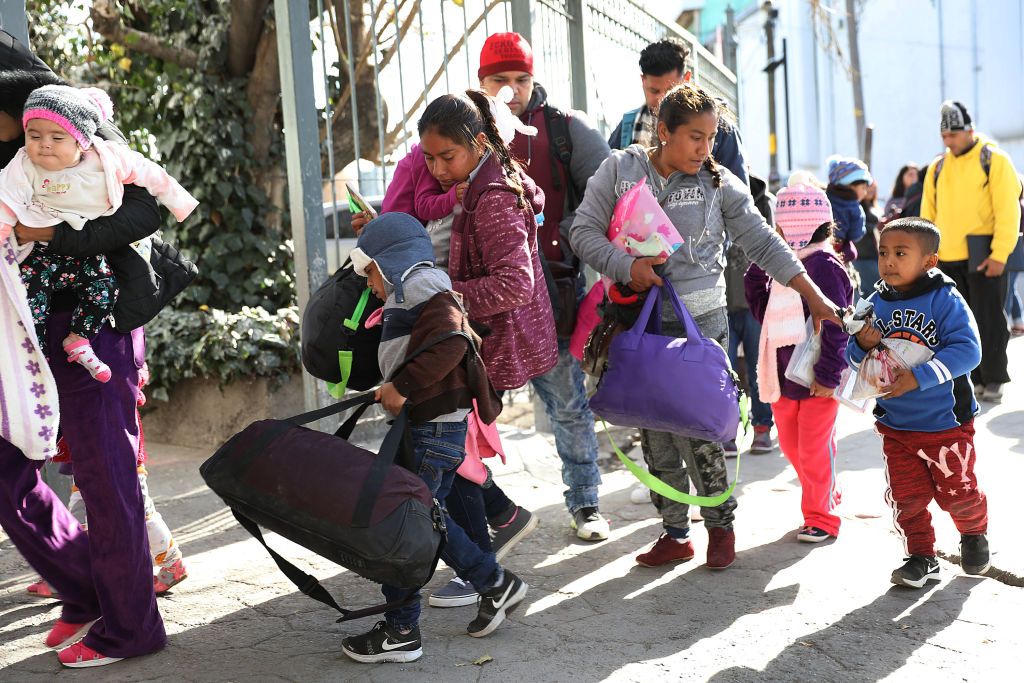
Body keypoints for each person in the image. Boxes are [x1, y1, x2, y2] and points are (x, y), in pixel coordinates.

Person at [570, 83, 842, 569]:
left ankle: (720, 527)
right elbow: (582, 231)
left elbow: (763, 242)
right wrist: (624, 266)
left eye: (711, 137)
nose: (704, 149)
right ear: (664, 131)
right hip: (640, 325)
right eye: (695, 137)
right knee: (655, 434)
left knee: (700, 433)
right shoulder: (620, 169)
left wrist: (815, 297)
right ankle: (675, 534)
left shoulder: (720, 184)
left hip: (703, 328)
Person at [0, 31, 166, 668]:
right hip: (18, 333)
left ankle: (131, 626)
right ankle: (85, 585)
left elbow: (145, 212)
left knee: (106, 475)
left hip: (92, 326)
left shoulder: (67, 122)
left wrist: (52, 234)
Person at [362, 94, 540, 608]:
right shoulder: (469, 186)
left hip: (470, 346)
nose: (436, 170)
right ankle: (488, 554)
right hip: (460, 343)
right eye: (430, 159)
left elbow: (515, 284)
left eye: (447, 158)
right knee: (452, 461)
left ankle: (477, 571)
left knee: (441, 469)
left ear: (479, 144)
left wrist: (442, 296)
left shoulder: (493, 196)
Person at [341, 212, 525, 663]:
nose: (369, 286)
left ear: (390, 263)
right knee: (426, 520)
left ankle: (403, 630)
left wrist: (402, 387)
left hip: (431, 429)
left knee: (406, 523)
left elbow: (450, 340)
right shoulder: (416, 288)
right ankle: (492, 583)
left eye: (371, 274)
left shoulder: (420, 284)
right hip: (435, 428)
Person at [477, 32, 612, 540]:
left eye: (521, 79)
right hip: (482, 298)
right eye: (499, 80)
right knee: (467, 412)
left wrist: (567, 237)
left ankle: (586, 505)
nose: (512, 90)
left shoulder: (563, 130)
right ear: (480, 82)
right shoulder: (467, 127)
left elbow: (610, 191)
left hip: (552, 293)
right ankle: (478, 512)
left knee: (568, 404)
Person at [1, 84, 197, 382]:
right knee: (31, 303)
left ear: (81, 141)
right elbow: (4, 203)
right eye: (34, 136)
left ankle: (79, 338)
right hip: (39, 257)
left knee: (104, 289)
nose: (44, 144)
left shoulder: (106, 157)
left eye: (56, 137)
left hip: (89, 251)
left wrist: (181, 204)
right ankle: (35, 359)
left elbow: (151, 178)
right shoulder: (22, 165)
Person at [847, 217, 989, 588]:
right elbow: (852, 358)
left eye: (900, 253)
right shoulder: (874, 301)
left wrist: (920, 377)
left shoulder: (946, 299)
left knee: (957, 492)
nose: (888, 261)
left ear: (929, 262)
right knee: (906, 498)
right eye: (882, 253)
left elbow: (968, 350)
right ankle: (921, 556)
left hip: (946, 424)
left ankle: (973, 532)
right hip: (895, 424)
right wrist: (861, 344)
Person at [745, 184, 853, 543]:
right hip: (781, 377)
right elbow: (762, 311)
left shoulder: (824, 266)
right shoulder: (778, 268)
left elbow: (838, 323)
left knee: (813, 449)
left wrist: (828, 373)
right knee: (794, 448)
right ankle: (826, 493)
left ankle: (821, 516)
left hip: (817, 379)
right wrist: (758, 270)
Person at [27, 363, 188, 599]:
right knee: (81, 509)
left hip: (118, 438)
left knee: (139, 506)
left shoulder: (114, 342)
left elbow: (134, 370)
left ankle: (172, 563)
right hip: (87, 438)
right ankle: (68, 576)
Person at [922, 100, 1022, 403]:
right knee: (955, 324)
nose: (949, 141)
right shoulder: (937, 167)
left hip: (984, 255)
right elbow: (927, 215)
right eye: (945, 137)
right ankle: (970, 378)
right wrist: (927, 258)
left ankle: (993, 378)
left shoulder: (994, 159)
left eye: (954, 135)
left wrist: (1000, 254)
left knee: (989, 318)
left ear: (969, 130)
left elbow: (1008, 211)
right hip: (947, 259)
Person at [608, 37, 749, 185]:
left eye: (670, 91)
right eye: (654, 91)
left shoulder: (720, 128)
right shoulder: (628, 126)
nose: (662, 100)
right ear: (643, 81)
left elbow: (739, 194)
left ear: (687, 79)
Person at [723, 174, 776, 456]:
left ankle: (763, 427)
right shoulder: (711, 194)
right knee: (724, 372)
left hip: (755, 303)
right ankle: (727, 431)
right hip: (721, 302)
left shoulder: (765, 203)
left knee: (760, 370)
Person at [824, 155, 871, 267]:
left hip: (823, 248)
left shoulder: (825, 197)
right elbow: (856, 234)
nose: (865, 193)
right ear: (850, 185)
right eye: (863, 188)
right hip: (841, 253)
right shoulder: (853, 206)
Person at [852, 181, 883, 298]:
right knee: (873, 292)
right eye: (868, 188)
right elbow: (859, 229)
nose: (871, 191)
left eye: (874, 188)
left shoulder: (872, 206)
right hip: (863, 257)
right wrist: (875, 226)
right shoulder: (857, 206)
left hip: (873, 255)